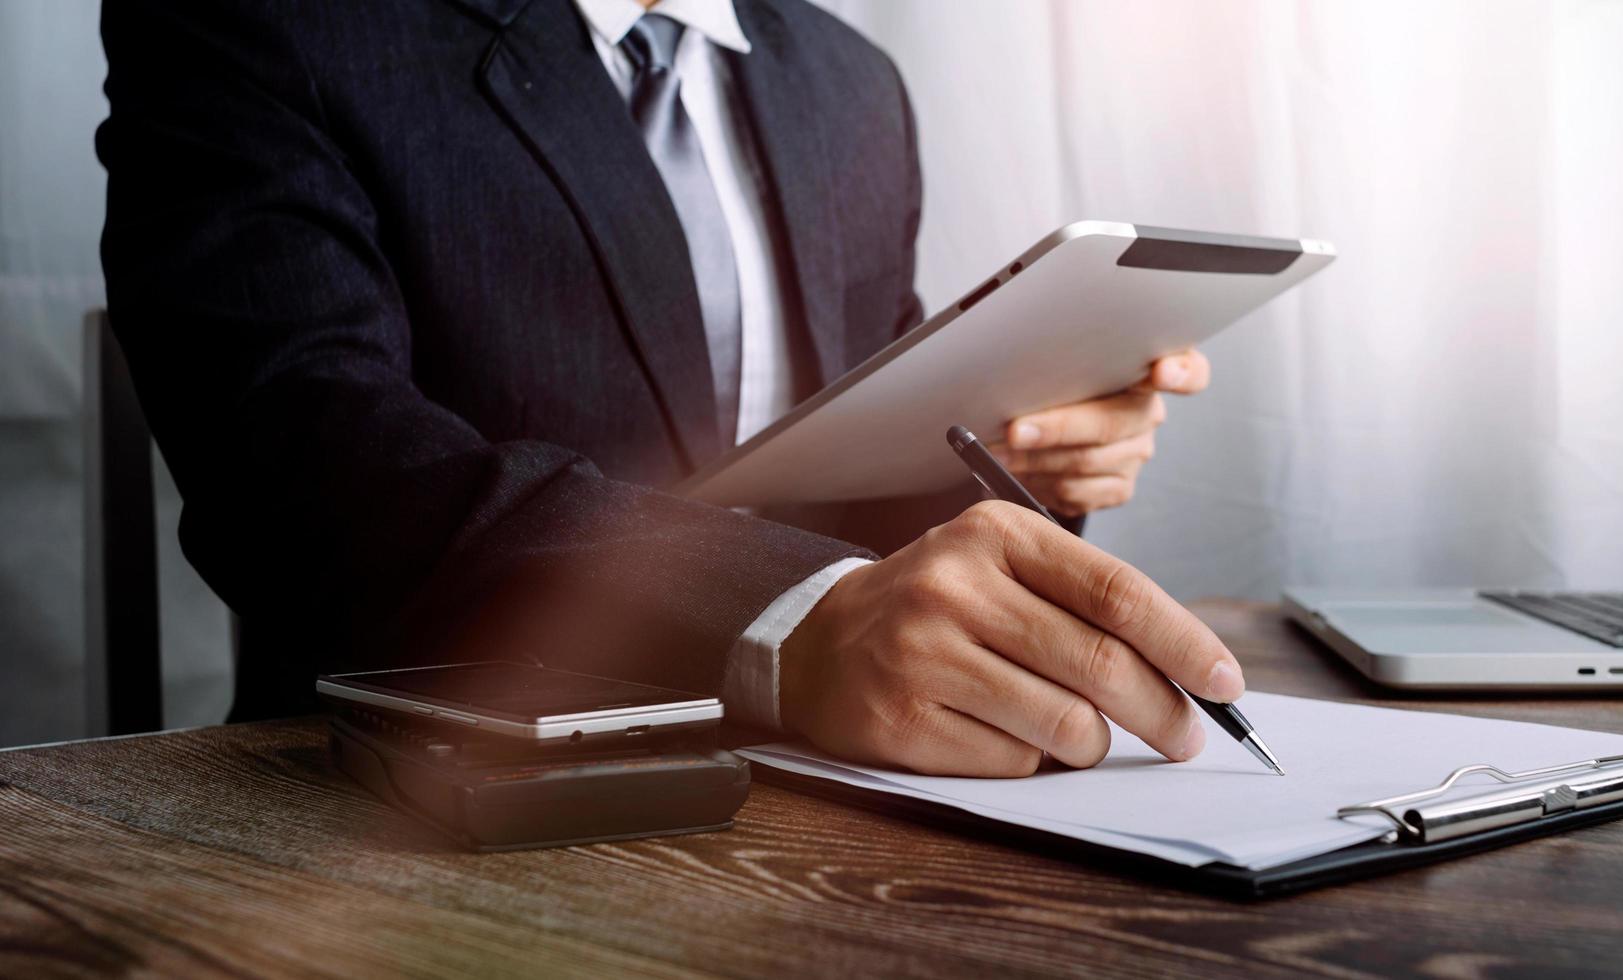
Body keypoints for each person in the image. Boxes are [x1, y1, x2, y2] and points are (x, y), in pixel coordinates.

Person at [98, 0, 1222, 776]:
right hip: (426, 792)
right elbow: (301, 463)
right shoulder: (262, 23)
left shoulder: (848, 82)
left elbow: (868, 500)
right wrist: (797, 622)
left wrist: (1008, 465)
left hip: (840, 789)